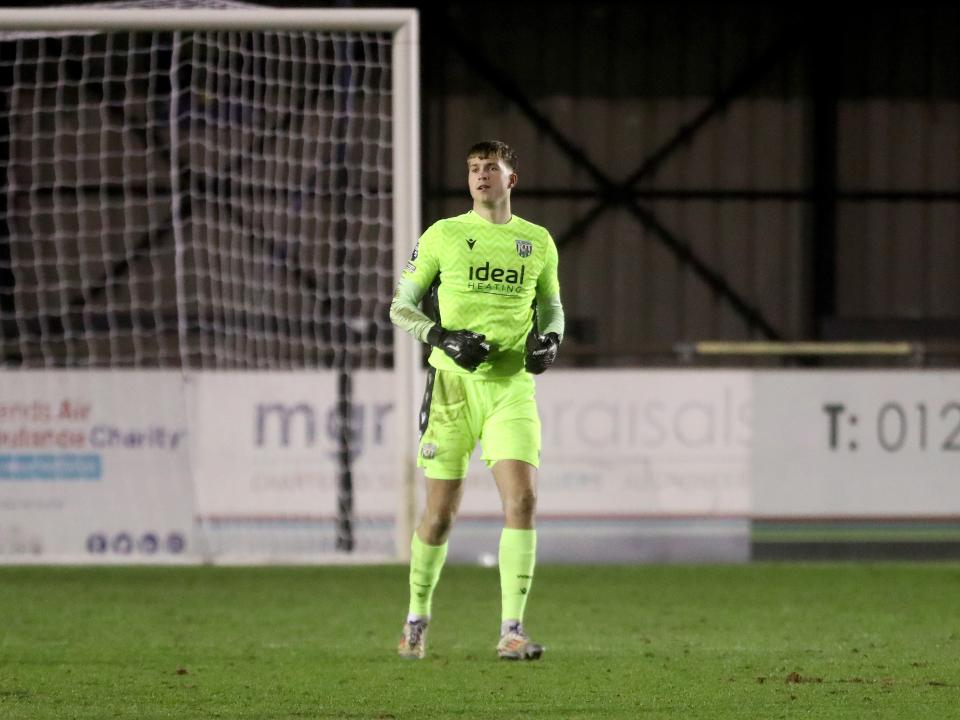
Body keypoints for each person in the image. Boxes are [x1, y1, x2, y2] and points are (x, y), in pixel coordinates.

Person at [389, 140, 564, 661]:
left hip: (511, 389)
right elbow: (400, 307)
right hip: (451, 390)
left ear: (512, 179)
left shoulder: (537, 241)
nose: (481, 176)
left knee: (524, 500)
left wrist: (550, 341)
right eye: (473, 169)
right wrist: (441, 337)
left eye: (492, 168)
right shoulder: (444, 235)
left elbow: (553, 308)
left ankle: (512, 629)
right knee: (440, 515)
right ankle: (416, 617)